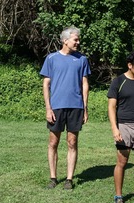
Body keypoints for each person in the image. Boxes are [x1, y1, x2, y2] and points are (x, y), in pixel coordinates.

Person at [40, 26, 91, 190]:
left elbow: (84, 84)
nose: (78, 42)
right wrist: (48, 108)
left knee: (72, 142)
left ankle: (69, 179)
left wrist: (85, 107)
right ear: (65, 40)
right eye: (75, 39)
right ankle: (53, 177)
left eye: (78, 39)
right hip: (57, 107)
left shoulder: (82, 59)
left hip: (75, 107)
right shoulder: (51, 58)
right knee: (53, 142)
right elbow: (46, 84)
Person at [107, 50, 134, 203]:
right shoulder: (119, 82)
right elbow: (111, 107)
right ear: (130, 65)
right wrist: (115, 129)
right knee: (122, 161)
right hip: (124, 126)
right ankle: (118, 196)